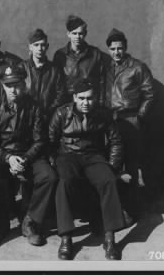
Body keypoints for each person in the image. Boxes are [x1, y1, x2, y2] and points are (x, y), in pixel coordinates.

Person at [49, 79, 126, 260]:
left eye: (90, 98)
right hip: (68, 155)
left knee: (108, 180)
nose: (86, 103)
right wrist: (54, 163)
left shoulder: (103, 114)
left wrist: (112, 167)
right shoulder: (61, 113)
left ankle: (109, 238)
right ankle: (66, 238)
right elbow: (50, 142)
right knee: (64, 181)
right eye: (81, 98)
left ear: (95, 98)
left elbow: (116, 141)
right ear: (74, 97)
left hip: (93, 156)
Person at [0, 66, 58, 247]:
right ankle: (2, 223)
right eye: (9, 86)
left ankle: (30, 221)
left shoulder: (35, 107)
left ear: (24, 85)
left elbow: (40, 140)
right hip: (3, 155)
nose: (13, 90)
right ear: (3, 87)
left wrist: (25, 159)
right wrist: (8, 158)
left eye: (17, 85)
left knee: (49, 177)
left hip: (28, 154)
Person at [104, 28, 155, 219]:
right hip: (112, 121)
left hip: (130, 120)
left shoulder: (137, 67)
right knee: (114, 165)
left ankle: (132, 209)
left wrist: (139, 116)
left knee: (132, 166)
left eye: (120, 48)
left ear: (125, 48)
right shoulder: (107, 68)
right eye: (113, 48)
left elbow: (150, 94)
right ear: (108, 50)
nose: (117, 52)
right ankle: (117, 208)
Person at [53, 15, 110, 103]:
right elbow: (56, 83)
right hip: (67, 103)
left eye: (80, 33)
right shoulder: (60, 55)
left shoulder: (95, 54)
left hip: (89, 103)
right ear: (68, 34)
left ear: (85, 33)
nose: (77, 37)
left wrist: (101, 104)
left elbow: (102, 83)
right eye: (74, 33)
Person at [18, 28, 67, 124]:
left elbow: (60, 95)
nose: (40, 49)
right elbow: (17, 92)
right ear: (30, 47)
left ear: (47, 46)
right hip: (25, 117)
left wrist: (48, 111)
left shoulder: (54, 70)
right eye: (36, 45)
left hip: (47, 117)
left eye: (43, 45)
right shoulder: (22, 67)